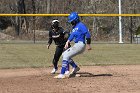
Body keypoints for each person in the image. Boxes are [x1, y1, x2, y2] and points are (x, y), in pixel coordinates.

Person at [54, 12, 92, 79]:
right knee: (64, 55)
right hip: (77, 44)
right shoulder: (75, 27)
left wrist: (88, 44)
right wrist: (68, 41)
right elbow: (72, 35)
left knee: (65, 55)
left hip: (80, 44)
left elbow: (87, 34)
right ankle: (75, 67)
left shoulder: (81, 25)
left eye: (72, 21)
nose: (71, 23)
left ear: (76, 19)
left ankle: (62, 74)